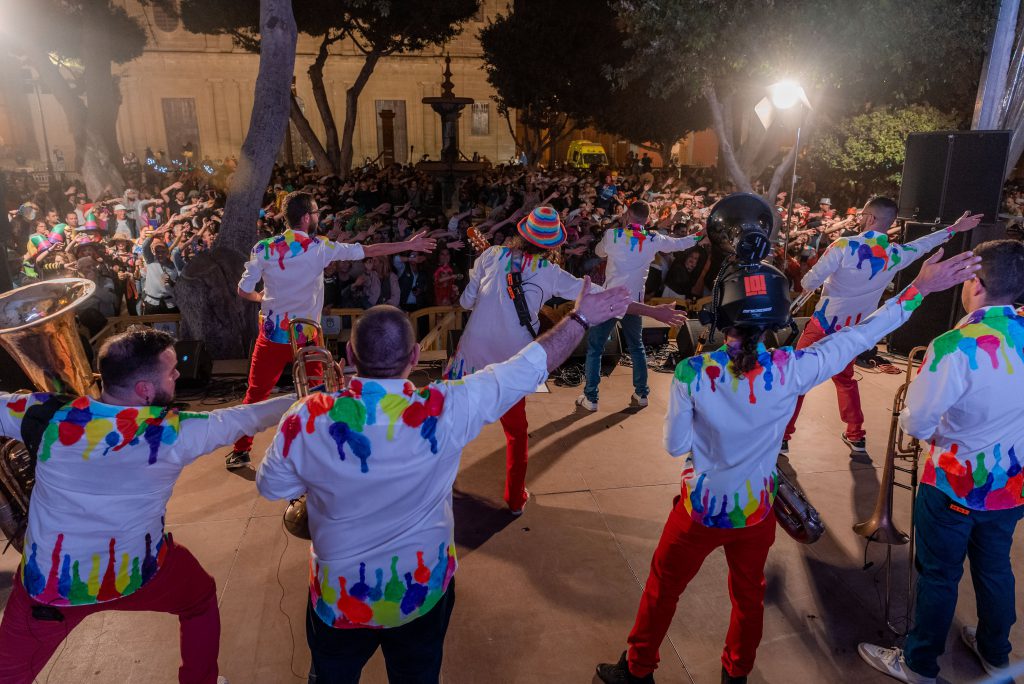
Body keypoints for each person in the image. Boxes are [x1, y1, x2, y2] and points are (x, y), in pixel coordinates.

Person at [595, 193, 982, 684]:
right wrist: (919, 288)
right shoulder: (793, 369)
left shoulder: (693, 373)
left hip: (700, 510)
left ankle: (637, 670)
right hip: (756, 511)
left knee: (663, 588)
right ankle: (736, 675)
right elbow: (862, 335)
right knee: (748, 597)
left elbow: (675, 447)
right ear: (777, 318)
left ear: (721, 315)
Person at [256, 282, 633, 684]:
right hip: (420, 593)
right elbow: (526, 368)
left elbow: (271, 486)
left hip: (340, 599)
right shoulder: (445, 407)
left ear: (349, 355)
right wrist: (580, 318)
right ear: (414, 357)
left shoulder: (307, 416)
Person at [0, 326, 295, 683]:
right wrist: (304, 399)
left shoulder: (45, 414)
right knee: (199, 599)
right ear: (144, 389)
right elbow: (245, 418)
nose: (178, 375)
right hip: (137, 573)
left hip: (51, 588)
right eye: (171, 372)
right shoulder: (172, 433)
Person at [445, 206, 685, 514]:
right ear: (553, 244)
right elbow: (605, 296)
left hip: (470, 358)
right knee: (516, 435)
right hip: (512, 365)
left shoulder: (491, 254)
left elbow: (466, 302)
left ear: (522, 233)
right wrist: (653, 311)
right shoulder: (551, 273)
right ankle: (515, 499)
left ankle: (439, 485)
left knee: (448, 420)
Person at [858, 240, 1024, 684]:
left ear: (976, 284)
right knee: (995, 567)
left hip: (954, 482)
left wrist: (937, 432)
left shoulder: (954, 345)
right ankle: (996, 653)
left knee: (939, 575)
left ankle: (919, 665)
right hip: (1011, 485)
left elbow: (917, 421)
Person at [226, 191, 436, 469]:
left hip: (273, 335)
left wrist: (260, 297)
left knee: (255, 394)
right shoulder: (319, 247)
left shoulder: (263, 248)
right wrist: (408, 245)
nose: (318, 217)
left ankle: (240, 450)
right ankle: (320, 451)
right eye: (316, 213)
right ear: (306, 218)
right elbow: (369, 250)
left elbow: (243, 290)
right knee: (317, 395)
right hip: (307, 338)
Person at [781, 197, 983, 455]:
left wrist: (828, 280)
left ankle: (783, 436)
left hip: (823, 325)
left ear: (871, 218)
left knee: (799, 378)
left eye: (862, 215)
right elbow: (924, 244)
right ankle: (856, 435)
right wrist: (955, 228)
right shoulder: (896, 254)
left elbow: (808, 283)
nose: (860, 219)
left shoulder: (843, 245)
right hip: (857, 331)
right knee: (845, 379)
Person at [577, 200, 703, 411]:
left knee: (595, 348)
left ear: (627, 215)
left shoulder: (613, 235)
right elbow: (682, 243)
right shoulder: (654, 239)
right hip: (634, 303)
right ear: (647, 219)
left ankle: (591, 398)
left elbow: (599, 252)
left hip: (610, 301)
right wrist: (702, 234)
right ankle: (642, 394)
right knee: (636, 347)